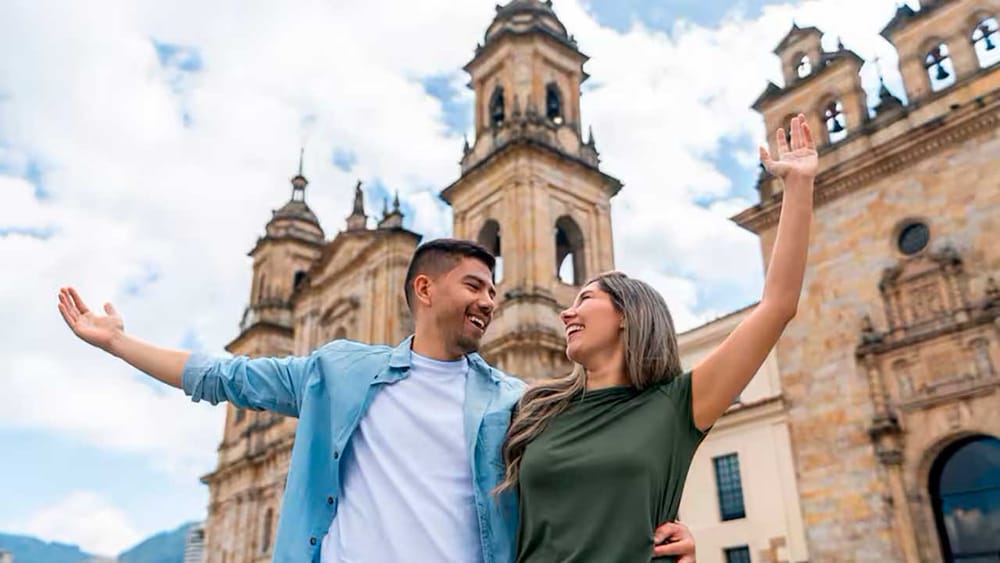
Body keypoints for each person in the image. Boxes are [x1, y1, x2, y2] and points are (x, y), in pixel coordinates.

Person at [58, 238, 696, 562]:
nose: (490, 300)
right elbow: (226, 376)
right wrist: (120, 344)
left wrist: (654, 540)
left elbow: (593, 466)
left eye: (494, 290)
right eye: (474, 284)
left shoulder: (515, 401)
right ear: (424, 287)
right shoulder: (339, 372)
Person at [499, 114, 818, 562]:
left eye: (586, 298)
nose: (567, 310)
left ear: (627, 315)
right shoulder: (536, 409)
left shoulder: (675, 406)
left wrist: (799, 186)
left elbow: (778, 305)